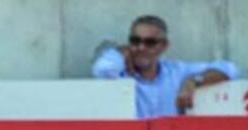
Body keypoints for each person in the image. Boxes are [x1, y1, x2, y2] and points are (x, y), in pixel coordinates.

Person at [92, 15, 238, 118]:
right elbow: (102, 69)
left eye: (150, 42)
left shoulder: (176, 72)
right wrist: (119, 52)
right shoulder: (120, 74)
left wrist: (194, 81)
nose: (141, 47)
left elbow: (229, 68)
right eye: (135, 41)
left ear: (163, 46)